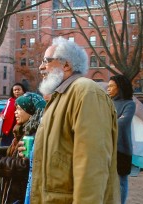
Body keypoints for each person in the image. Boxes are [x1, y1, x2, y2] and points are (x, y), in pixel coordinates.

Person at [27, 36, 120, 203]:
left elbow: (92, 166)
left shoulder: (86, 92)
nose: (41, 67)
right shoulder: (60, 96)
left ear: (66, 65)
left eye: (46, 61)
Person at [0, 92, 46, 204]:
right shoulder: (23, 130)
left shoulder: (32, 136)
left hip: (20, 195)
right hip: (14, 192)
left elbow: (23, 167)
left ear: (31, 111)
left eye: (19, 109)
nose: (15, 112)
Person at [107, 74, 136, 204]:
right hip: (107, 147)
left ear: (120, 87)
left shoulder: (130, 104)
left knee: (121, 180)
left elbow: (122, 123)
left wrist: (105, 122)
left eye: (111, 86)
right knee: (107, 179)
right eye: (108, 86)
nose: (108, 89)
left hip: (122, 148)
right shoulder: (107, 102)